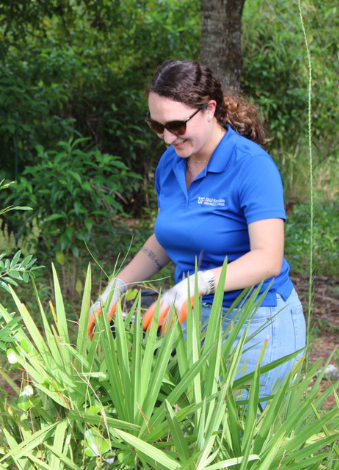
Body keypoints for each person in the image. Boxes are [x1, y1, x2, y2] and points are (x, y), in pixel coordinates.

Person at [93, 60, 302, 401]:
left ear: (209, 109)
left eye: (176, 125)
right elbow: (168, 236)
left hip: (255, 321)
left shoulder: (251, 166)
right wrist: (117, 286)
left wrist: (196, 283)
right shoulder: (170, 162)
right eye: (156, 126)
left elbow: (268, 259)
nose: (167, 137)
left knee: (246, 444)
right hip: (194, 318)